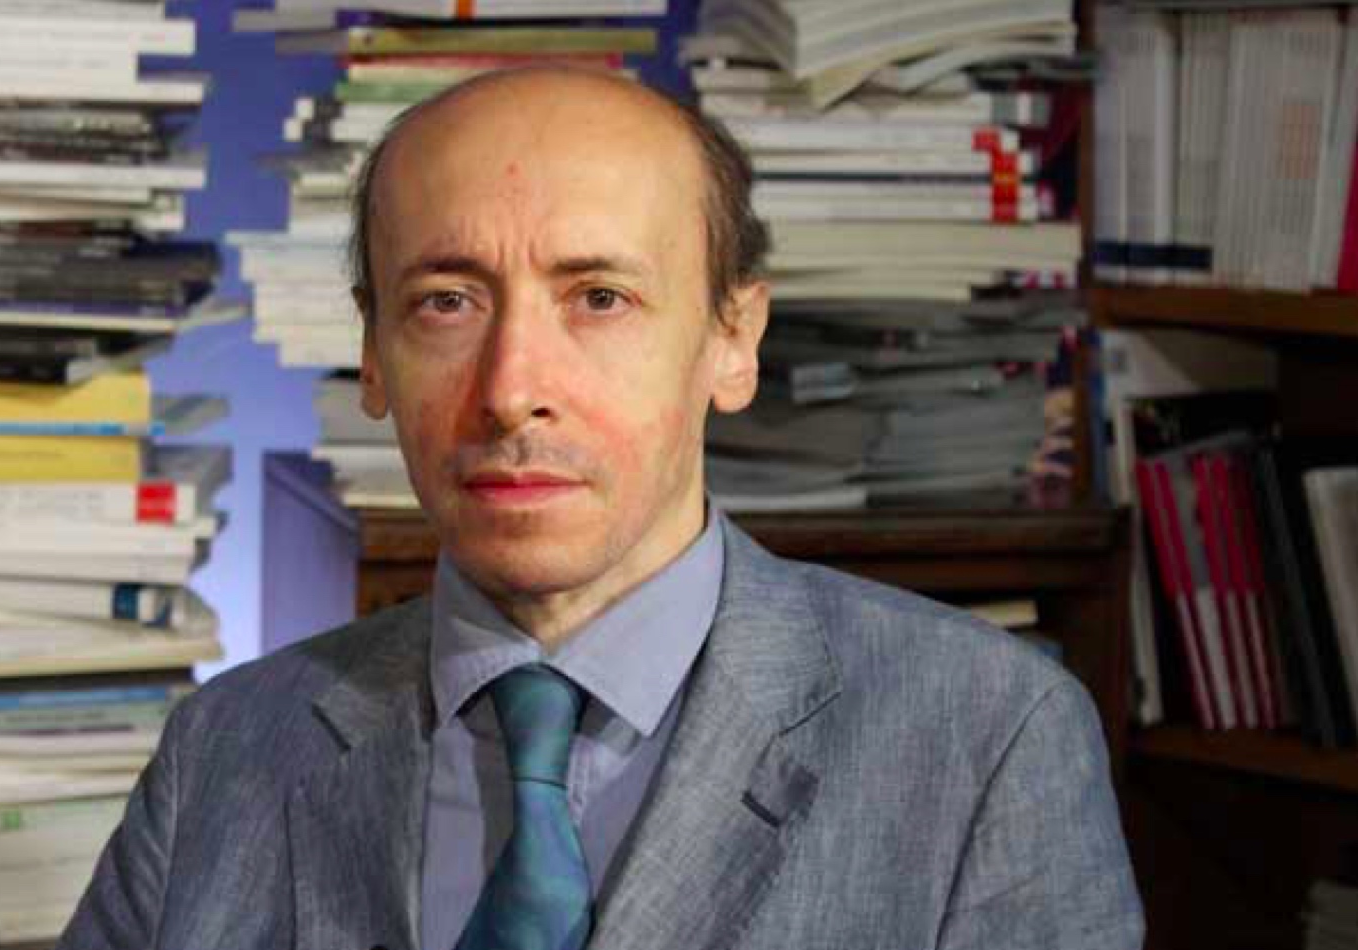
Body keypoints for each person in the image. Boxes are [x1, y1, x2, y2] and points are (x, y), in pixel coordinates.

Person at [58, 66, 1144, 950]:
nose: (511, 388)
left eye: (600, 298)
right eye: (447, 302)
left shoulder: (988, 737)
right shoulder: (225, 747)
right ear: (373, 351)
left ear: (732, 340)